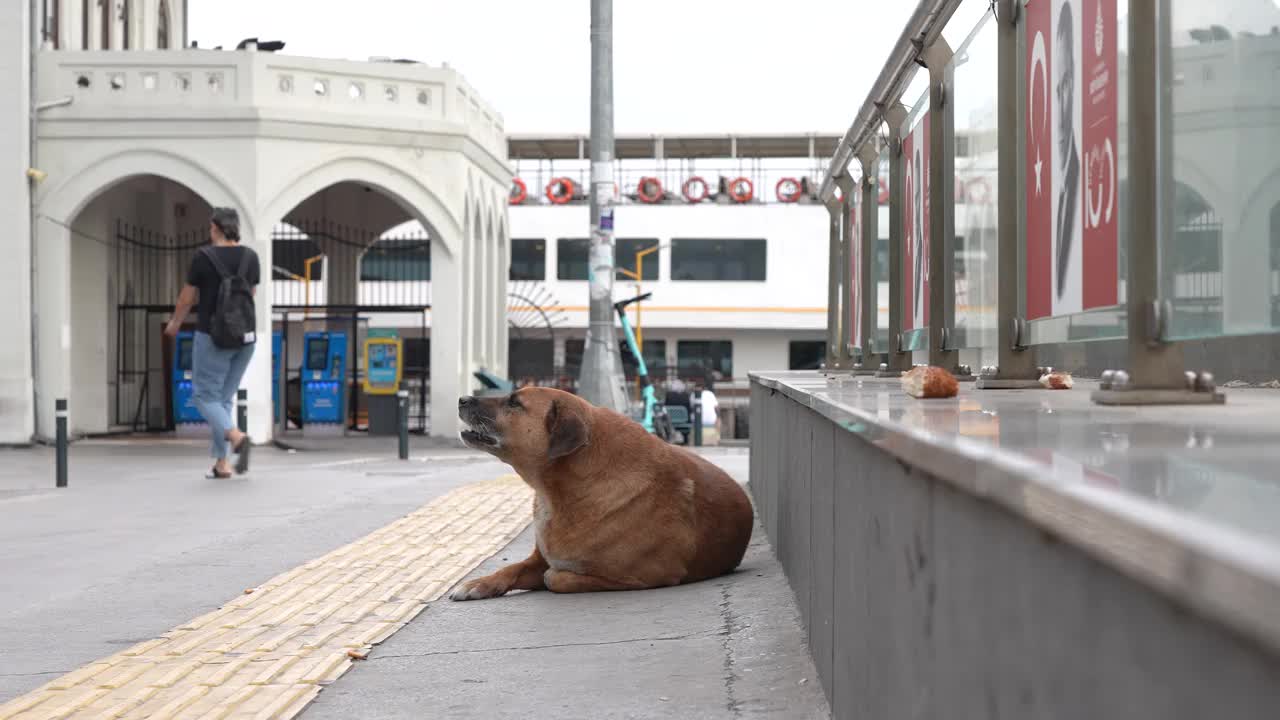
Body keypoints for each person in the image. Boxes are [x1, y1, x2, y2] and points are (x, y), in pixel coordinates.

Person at [165, 208, 261, 478]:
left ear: (215, 228)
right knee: (222, 399)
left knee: (203, 396)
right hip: (245, 338)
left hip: (212, 336)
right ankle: (222, 463)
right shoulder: (251, 257)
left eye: (210, 228)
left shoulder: (203, 257)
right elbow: (250, 295)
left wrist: (175, 323)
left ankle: (237, 437)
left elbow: (186, 298)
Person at [1054, 0, 1080, 299]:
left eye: (1067, 84)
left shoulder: (1079, 176)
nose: (1061, 108)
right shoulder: (1051, 188)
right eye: (1057, 88)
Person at [694, 378, 720, 446]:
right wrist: (718, 418)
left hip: (698, 422)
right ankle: (716, 440)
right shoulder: (710, 394)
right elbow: (716, 408)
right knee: (719, 420)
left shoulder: (693, 395)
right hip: (712, 420)